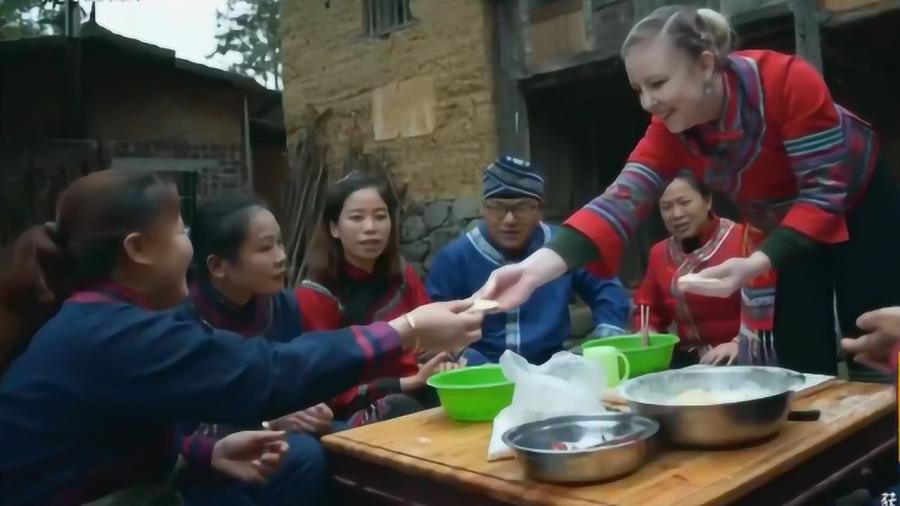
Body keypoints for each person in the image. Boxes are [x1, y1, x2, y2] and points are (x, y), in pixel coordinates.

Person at [0, 170, 482, 506]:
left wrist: (206, 454)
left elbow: (117, 435)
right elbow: (266, 373)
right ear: (139, 250)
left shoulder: (108, 319)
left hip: (134, 482)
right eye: (182, 231)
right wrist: (409, 328)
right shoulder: (113, 333)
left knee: (296, 462)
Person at [476, 6, 900, 376]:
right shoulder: (670, 132)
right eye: (638, 90)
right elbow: (620, 201)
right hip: (780, 226)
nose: (648, 102)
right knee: (798, 350)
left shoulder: (788, 81)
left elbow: (824, 194)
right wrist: (532, 271)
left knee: (872, 335)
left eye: (658, 84)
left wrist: (754, 262)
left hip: (857, 200)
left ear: (705, 64)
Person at [178, 194, 335, 505]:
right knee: (303, 455)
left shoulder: (282, 305)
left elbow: (294, 377)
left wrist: (311, 407)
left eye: (279, 243)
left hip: (273, 442)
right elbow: (181, 427)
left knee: (344, 441)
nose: (281, 257)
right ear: (218, 265)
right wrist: (267, 424)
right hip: (202, 463)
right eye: (265, 248)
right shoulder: (181, 321)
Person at [427, 156, 630, 365]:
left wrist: (606, 335)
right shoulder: (455, 258)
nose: (509, 220)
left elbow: (607, 290)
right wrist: (463, 354)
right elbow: (437, 321)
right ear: (484, 209)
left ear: (539, 209)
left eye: (522, 207)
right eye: (497, 207)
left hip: (551, 366)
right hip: (482, 370)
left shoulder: (563, 247)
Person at [296, 173, 451, 428]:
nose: (371, 227)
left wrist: (445, 358)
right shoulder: (316, 294)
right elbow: (326, 379)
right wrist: (404, 383)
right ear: (334, 227)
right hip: (356, 404)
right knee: (401, 408)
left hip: (418, 381)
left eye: (380, 216)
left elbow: (429, 334)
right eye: (357, 218)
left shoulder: (402, 275)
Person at [634, 174, 775, 367]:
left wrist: (739, 343)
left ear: (708, 201)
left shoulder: (745, 241)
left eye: (684, 202)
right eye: (666, 207)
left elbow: (770, 306)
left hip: (741, 358)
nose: (676, 214)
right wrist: (647, 330)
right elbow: (647, 310)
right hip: (688, 363)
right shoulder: (659, 253)